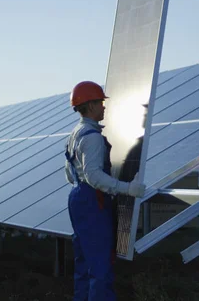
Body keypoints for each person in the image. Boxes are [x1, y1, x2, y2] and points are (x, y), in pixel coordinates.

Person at [65, 81, 146, 301]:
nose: (104, 107)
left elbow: (70, 173)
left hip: (77, 197)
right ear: (90, 106)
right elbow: (94, 176)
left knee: (84, 263)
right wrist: (127, 189)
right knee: (101, 266)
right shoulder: (92, 138)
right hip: (92, 200)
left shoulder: (76, 133)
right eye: (100, 102)